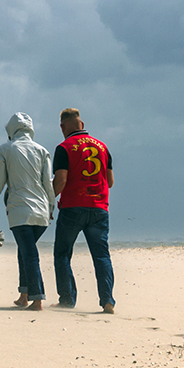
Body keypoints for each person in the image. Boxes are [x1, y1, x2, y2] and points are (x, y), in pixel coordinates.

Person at [0, 112, 56, 311]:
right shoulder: (42, 151)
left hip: (19, 211)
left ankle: (37, 299)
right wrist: (50, 207)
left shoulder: (4, 150)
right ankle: (24, 295)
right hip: (41, 212)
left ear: (11, 129)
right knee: (24, 250)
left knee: (29, 253)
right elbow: (48, 184)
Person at [52, 107, 116, 313]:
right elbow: (111, 182)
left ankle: (67, 299)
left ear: (63, 127)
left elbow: (60, 181)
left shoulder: (64, 147)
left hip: (73, 206)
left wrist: (47, 200)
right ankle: (107, 301)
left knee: (62, 254)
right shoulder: (103, 147)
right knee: (102, 256)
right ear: (82, 125)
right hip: (99, 207)